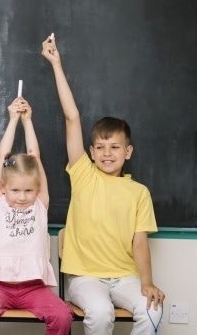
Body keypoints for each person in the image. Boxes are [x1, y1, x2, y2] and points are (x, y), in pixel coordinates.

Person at [42, 34, 165, 335]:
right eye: (100, 147)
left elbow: (140, 242)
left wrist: (147, 282)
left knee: (153, 308)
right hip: (85, 278)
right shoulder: (84, 174)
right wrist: (56, 64)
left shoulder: (139, 193)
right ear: (91, 152)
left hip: (125, 276)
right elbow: (72, 118)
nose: (107, 153)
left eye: (114, 147)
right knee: (99, 312)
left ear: (128, 151)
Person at [0, 97, 73, 335]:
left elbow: (34, 156)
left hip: (34, 288)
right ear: (3, 186)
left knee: (62, 316)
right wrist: (13, 119)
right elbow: (1, 156)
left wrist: (28, 121)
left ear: (37, 190)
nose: (23, 197)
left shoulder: (40, 204)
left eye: (28, 190)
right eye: (15, 190)